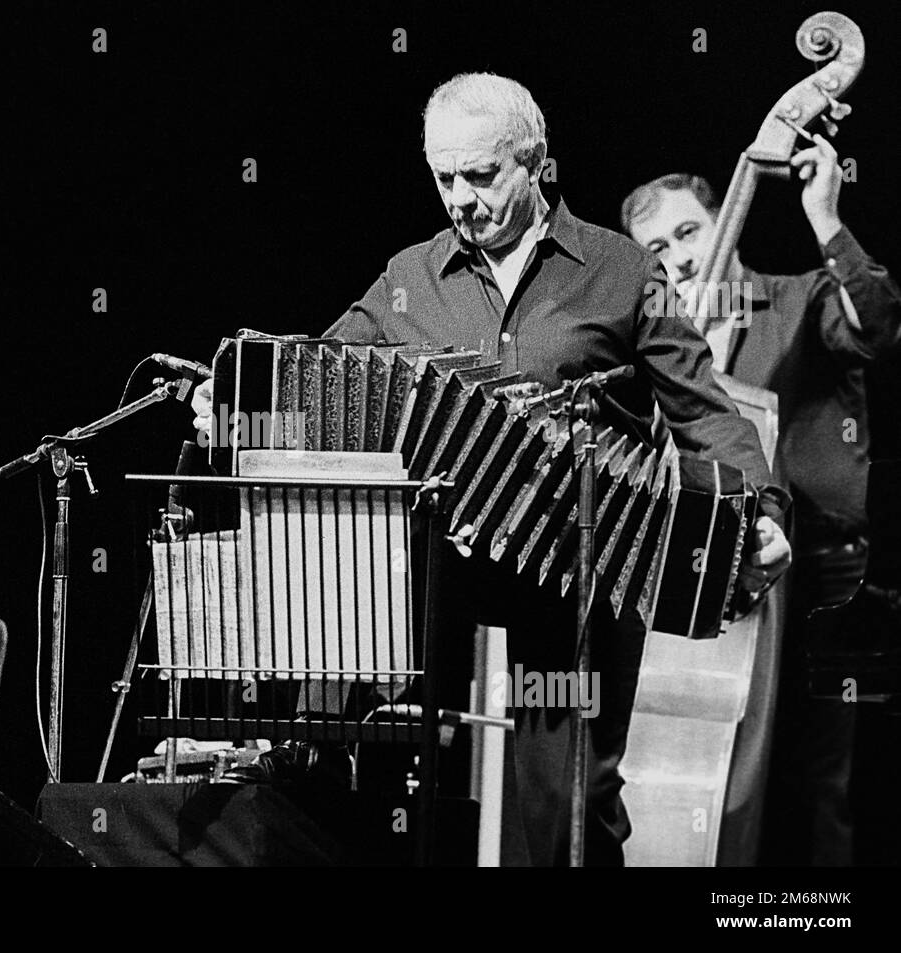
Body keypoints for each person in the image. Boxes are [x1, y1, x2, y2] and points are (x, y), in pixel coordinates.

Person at [193, 72, 792, 865]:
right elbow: (318, 372)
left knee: (568, 799)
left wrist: (763, 512)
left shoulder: (621, 272)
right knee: (369, 746)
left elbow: (702, 409)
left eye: (481, 175)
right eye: (444, 177)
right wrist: (232, 405)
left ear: (537, 162)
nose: (461, 198)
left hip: (582, 571)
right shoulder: (409, 279)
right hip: (439, 562)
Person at [622, 147, 901, 865]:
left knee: (814, 793)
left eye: (689, 233)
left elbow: (878, 327)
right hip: (728, 584)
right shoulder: (659, 347)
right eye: (656, 247)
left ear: (728, 223)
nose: (679, 257)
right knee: (718, 787)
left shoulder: (797, 298)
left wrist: (825, 216)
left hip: (820, 579)